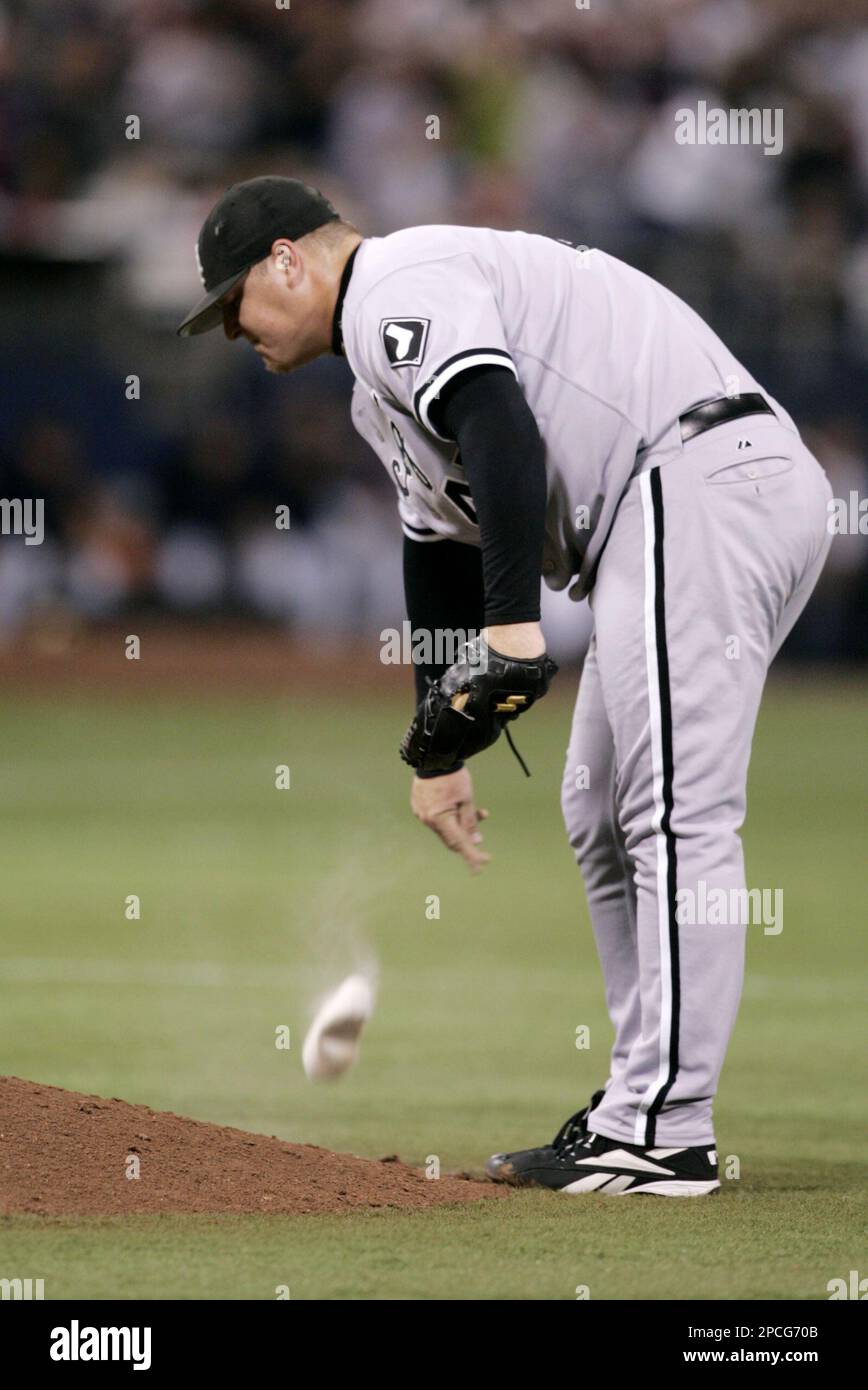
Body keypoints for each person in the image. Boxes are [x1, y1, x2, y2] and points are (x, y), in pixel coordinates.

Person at [178, 176, 832, 1197]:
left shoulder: (400, 281)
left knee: (672, 809)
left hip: (696, 475)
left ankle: (661, 1127)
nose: (231, 331)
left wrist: (514, 623)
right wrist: (438, 754)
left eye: (232, 304)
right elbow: (435, 548)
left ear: (286, 263)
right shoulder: (374, 382)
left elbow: (499, 424)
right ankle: (638, 1107)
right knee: (600, 809)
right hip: (681, 501)